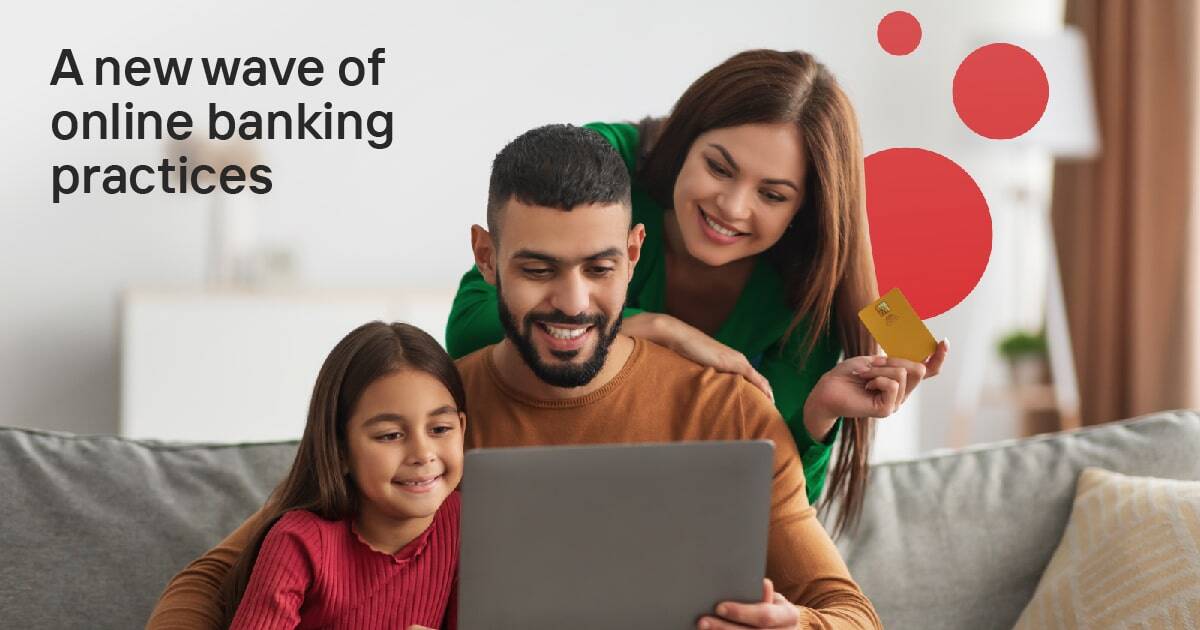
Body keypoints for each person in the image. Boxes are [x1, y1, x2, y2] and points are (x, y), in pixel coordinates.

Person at [148, 124, 884, 629]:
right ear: (487, 257)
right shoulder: (429, 417)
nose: (571, 303)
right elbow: (207, 584)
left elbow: (851, 613)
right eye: (537, 268)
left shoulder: (729, 412)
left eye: (599, 269)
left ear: (634, 254)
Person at [446, 49, 948, 531]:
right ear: (685, 139)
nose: (731, 206)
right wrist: (656, 329)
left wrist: (822, 413)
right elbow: (470, 326)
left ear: (804, 209)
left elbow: (777, 508)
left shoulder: (803, 288)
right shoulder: (607, 168)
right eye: (719, 168)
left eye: (772, 195)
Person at [219, 322, 466, 629]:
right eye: (390, 435)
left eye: (440, 429)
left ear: (462, 428)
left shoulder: (467, 526)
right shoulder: (298, 542)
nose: (422, 453)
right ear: (340, 450)